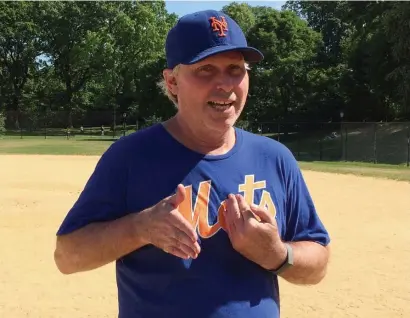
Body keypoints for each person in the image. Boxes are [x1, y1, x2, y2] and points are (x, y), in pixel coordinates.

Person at [54, 9, 331, 318]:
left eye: (235, 69)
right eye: (206, 70)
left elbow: (318, 261)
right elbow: (67, 256)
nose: (225, 84)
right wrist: (139, 228)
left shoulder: (275, 158)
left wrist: (278, 254)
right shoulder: (130, 157)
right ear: (172, 81)